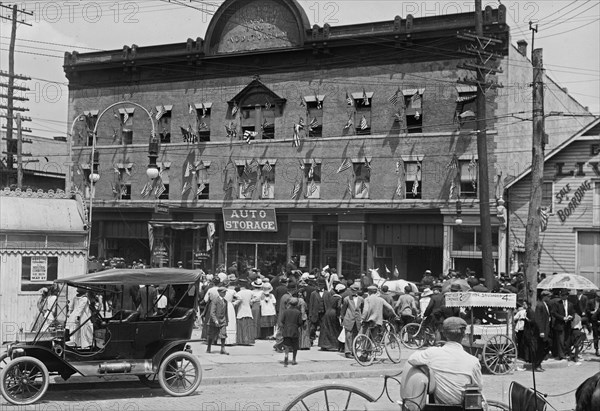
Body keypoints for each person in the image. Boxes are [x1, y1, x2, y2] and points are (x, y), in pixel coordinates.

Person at [401, 317, 482, 409]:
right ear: (463, 334)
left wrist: (427, 370)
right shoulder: (473, 361)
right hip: (461, 407)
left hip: (437, 406)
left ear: (444, 334)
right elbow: (478, 387)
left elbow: (411, 359)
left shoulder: (432, 353)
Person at [340, 282, 364, 358]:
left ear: (358, 291)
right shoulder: (346, 299)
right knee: (348, 336)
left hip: (357, 320)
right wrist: (342, 318)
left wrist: (362, 318)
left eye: (355, 290)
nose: (354, 292)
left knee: (356, 336)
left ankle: (354, 350)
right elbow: (343, 310)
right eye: (352, 290)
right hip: (348, 319)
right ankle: (347, 352)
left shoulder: (361, 299)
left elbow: (362, 309)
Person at [551, 288, 575, 360]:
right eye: (561, 295)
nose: (562, 296)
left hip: (567, 324)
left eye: (564, 295)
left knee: (567, 340)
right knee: (560, 340)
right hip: (560, 324)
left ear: (567, 296)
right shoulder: (557, 303)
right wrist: (562, 318)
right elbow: (554, 313)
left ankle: (565, 352)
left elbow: (573, 312)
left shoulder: (570, 304)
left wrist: (571, 317)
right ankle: (561, 355)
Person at [318, 283, 342, 351]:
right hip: (333, 313)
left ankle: (324, 344)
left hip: (327, 313)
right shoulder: (339, 298)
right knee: (334, 329)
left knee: (326, 328)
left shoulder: (331, 297)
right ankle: (334, 345)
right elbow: (338, 307)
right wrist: (339, 314)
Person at [280, 297, 304, 366]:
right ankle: (294, 359)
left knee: (286, 345)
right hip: (294, 330)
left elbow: (282, 320)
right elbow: (300, 322)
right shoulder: (298, 312)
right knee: (295, 346)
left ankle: (286, 356)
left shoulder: (286, 311)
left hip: (286, 330)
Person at [207, 287, 229, 355]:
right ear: (219, 292)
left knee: (223, 334)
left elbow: (226, 312)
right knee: (211, 335)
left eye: (225, 292)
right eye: (223, 292)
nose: (224, 293)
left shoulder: (225, 301)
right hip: (214, 321)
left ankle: (223, 348)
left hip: (222, 320)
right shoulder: (215, 300)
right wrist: (215, 320)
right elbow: (212, 312)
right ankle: (209, 347)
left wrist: (226, 320)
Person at [534, 290, 553, 371]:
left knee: (545, 347)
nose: (549, 298)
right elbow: (538, 319)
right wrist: (541, 331)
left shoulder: (545, 305)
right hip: (542, 331)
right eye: (548, 296)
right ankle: (537, 365)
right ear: (544, 297)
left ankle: (539, 363)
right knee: (540, 349)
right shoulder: (540, 305)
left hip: (546, 330)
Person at [234, 280, 255, 345]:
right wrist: (251, 301)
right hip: (248, 309)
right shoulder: (250, 292)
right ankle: (248, 340)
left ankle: (241, 340)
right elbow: (256, 298)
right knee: (248, 325)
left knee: (241, 325)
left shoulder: (239, 293)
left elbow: (238, 300)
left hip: (241, 309)